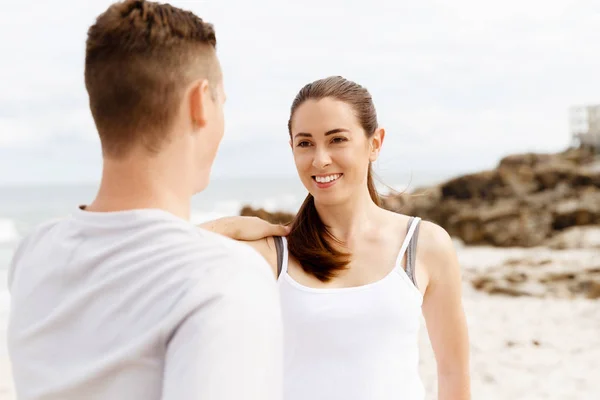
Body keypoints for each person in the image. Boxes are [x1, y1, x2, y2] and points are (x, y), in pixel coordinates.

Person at [6, 1, 286, 399]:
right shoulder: (226, 280)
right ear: (200, 102)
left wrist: (212, 235)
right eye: (222, 102)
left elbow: (127, 253)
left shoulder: (33, 255)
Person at [213, 76, 472, 399]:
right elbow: (158, 256)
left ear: (374, 143)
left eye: (337, 140)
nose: (320, 159)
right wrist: (228, 228)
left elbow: (453, 372)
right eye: (305, 143)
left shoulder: (424, 245)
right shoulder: (274, 253)